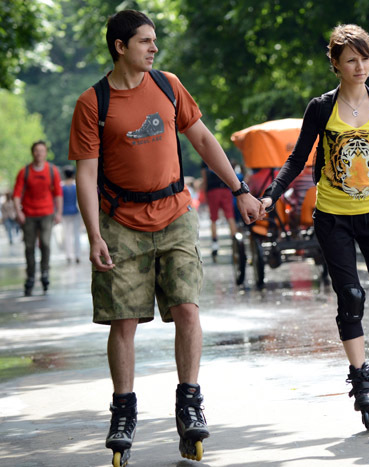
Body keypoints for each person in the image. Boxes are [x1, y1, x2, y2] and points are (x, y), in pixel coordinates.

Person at [68, 10, 264, 463]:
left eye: (154, 41)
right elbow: (86, 174)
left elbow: (202, 139)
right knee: (124, 321)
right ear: (120, 46)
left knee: (187, 308)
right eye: (144, 41)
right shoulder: (92, 103)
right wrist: (94, 233)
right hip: (120, 222)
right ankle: (123, 411)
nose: (154, 48)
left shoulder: (167, 85)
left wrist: (240, 189)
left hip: (175, 213)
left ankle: (189, 402)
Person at [260, 24, 369, 430]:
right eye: (351, 59)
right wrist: (271, 195)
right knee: (350, 295)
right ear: (335, 64)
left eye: (365, 58)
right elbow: (298, 158)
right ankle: (361, 377)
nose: (360, 66)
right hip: (333, 217)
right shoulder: (321, 108)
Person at [12, 141, 63, 296]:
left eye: (42, 151)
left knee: (46, 244)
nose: (39, 153)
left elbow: (58, 193)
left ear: (45, 153)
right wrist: (18, 212)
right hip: (29, 214)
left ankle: (45, 273)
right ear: (32, 153)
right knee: (29, 247)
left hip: (47, 213)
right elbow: (16, 194)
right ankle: (30, 276)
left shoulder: (52, 171)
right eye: (36, 151)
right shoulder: (25, 172)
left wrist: (59, 213)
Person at [200, 160, 237, 262]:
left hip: (213, 191)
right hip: (225, 189)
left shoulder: (204, 160)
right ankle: (236, 244)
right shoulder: (223, 155)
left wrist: (206, 194)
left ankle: (215, 245)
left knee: (213, 219)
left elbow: (205, 179)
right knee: (230, 217)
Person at [60, 165, 82, 264]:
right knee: (76, 234)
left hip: (64, 212)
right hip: (75, 211)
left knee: (66, 234)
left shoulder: (61, 186)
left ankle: (68, 255)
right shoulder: (76, 185)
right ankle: (77, 254)